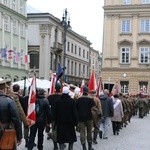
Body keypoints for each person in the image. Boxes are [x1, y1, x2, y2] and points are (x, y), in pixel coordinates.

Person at [0, 79, 22, 149]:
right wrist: (19, 136)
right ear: (4, 89)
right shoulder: (9, 100)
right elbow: (16, 119)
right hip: (5, 132)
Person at [55, 86, 78, 150]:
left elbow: (54, 113)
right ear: (68, 92)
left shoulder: (57, 101)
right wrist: (76, 122)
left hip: (60, 123)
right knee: (71, 138)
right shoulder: (72, 101)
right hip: (70, 123)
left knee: (61, 139)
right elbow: (75, 113)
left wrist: (55, 122)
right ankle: (70, 149)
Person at [76, 86, 95, 150]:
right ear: (87, 92)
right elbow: (93, 107)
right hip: (89, 118)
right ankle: (90, 146)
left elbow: (76, 109)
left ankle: (84, 147)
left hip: (81, 118)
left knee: (82, 132)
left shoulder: (78, 99)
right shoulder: (90, 99)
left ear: (82, 91)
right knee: (89, 132)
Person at [47, 82, 62, 150]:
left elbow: (48, 107)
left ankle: (55, 145)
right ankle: (61, 144)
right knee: (61, 130)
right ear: (60, 88)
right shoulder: (62, 96)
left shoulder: (50, 96)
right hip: (61, 117)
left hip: (53, 116)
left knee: (54, 130)